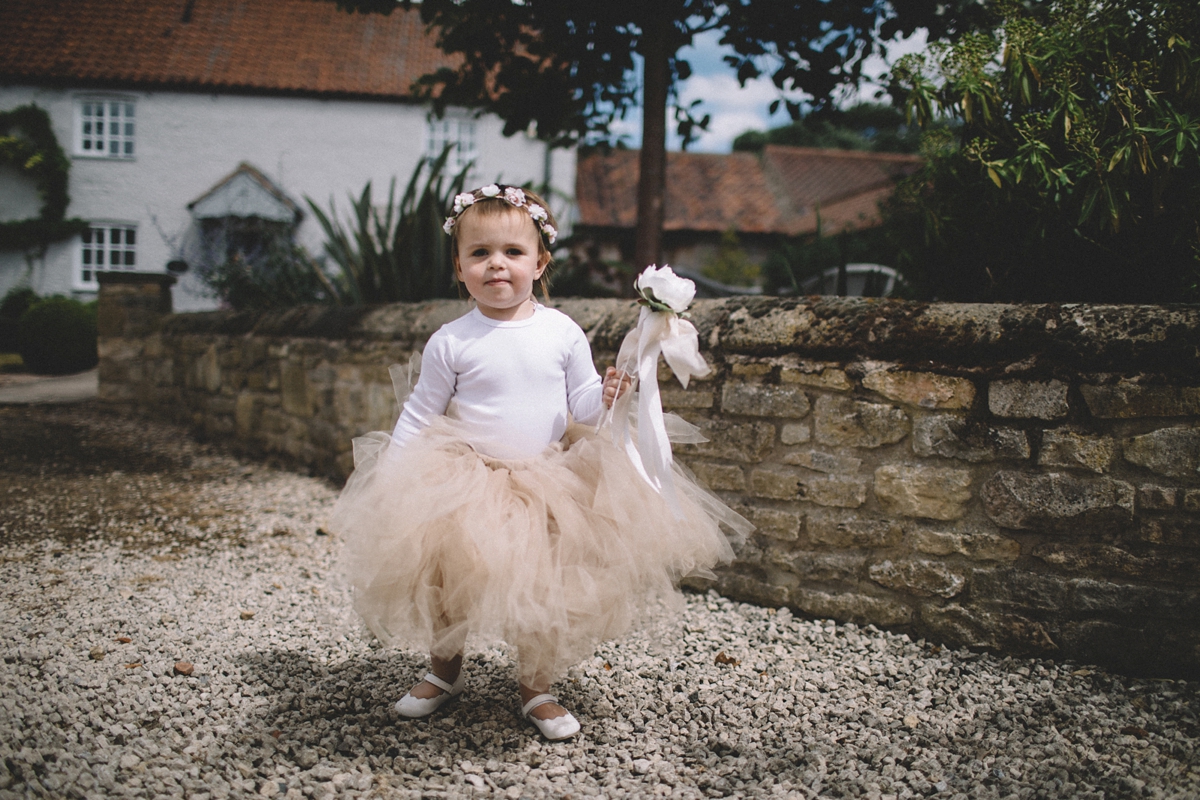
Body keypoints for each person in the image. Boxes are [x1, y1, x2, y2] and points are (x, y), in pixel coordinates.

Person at [331, 184, 749, 741]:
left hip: (550, 478)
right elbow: (420, 412)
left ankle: (536, 689)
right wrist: (395, 473)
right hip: (466, 479)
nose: (496, 265)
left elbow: (579, 404)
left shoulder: (561, 332)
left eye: (511, 252)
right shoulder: (451, 340)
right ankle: (443, 671)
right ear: (459, 268)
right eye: (479, 254)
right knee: (445, 580)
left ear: (540, 262)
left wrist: (611, 394)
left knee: (544, 586)